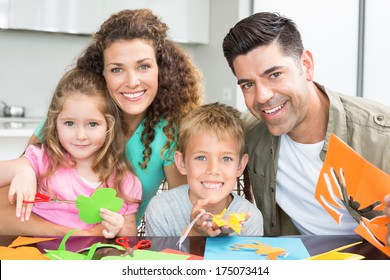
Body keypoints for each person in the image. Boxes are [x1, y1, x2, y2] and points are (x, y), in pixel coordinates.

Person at [0, 9, 203, 234]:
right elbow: (6, 205)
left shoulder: (168, 134)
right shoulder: (70, 117)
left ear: (161, 70)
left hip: (109, 249)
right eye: (117, 69)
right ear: (101, 73)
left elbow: (182, 215)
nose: (132, 81)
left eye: (143, 66)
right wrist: (24, 169)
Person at [222, 12, 390, 237]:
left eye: (274, 75)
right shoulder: (250, 133)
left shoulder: (381, 137)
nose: (262, 96)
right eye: (248, 85)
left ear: (306, 65)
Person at [0, 68, 142, 238]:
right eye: (69, 123)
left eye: (92, 124)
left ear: (109, 127)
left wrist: (118, 228)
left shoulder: (124, 182)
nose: (80, 136)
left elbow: (130, 237)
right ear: (55, 123)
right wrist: (22, 170)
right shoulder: (43, 159)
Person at [145, 102, 264, 236]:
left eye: (226, 159)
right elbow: (159, 257)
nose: (213, 170)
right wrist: (195, 233)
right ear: (182, 162)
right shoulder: (161, 209)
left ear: (240, 165)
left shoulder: (250, 219)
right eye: (201, 158)